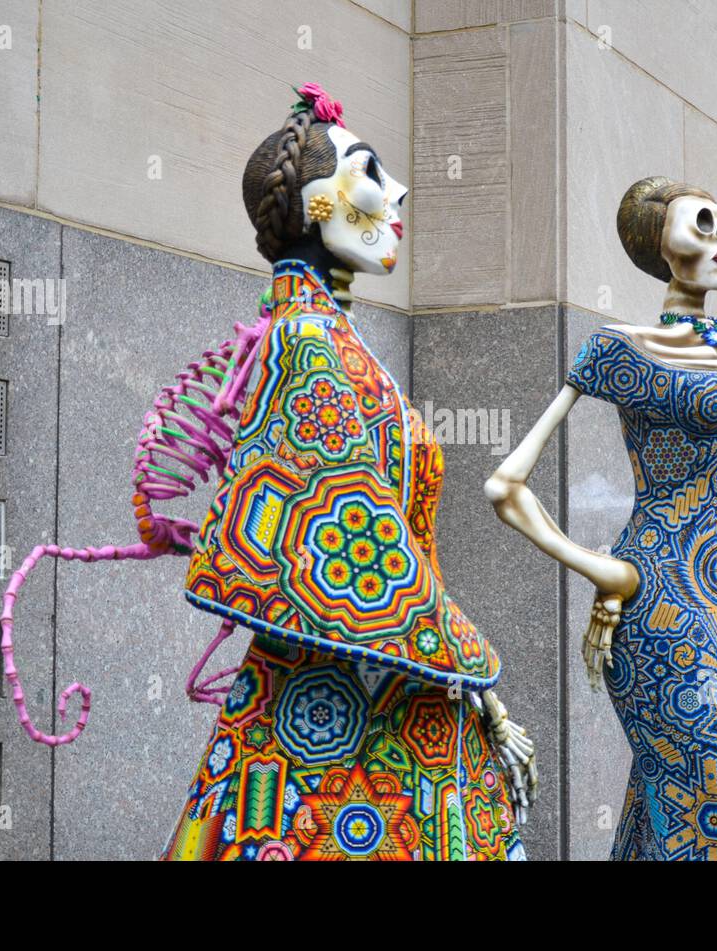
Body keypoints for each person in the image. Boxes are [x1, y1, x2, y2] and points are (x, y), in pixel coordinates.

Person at [157, 84, 535, 860]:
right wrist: (478, 676)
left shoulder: (328, 338)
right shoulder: (310, 342)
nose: (396, 194)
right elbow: (351, 542)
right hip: (343, 709)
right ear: (317, 204)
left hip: (376, 695)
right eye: (371, 173)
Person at [487, 178, 717, 859]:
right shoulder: (620, 349)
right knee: (715, 797)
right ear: (658, 244)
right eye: (704, 225)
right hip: (659, 600)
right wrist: (610, 570)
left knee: (676, 787)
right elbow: (507, 484)